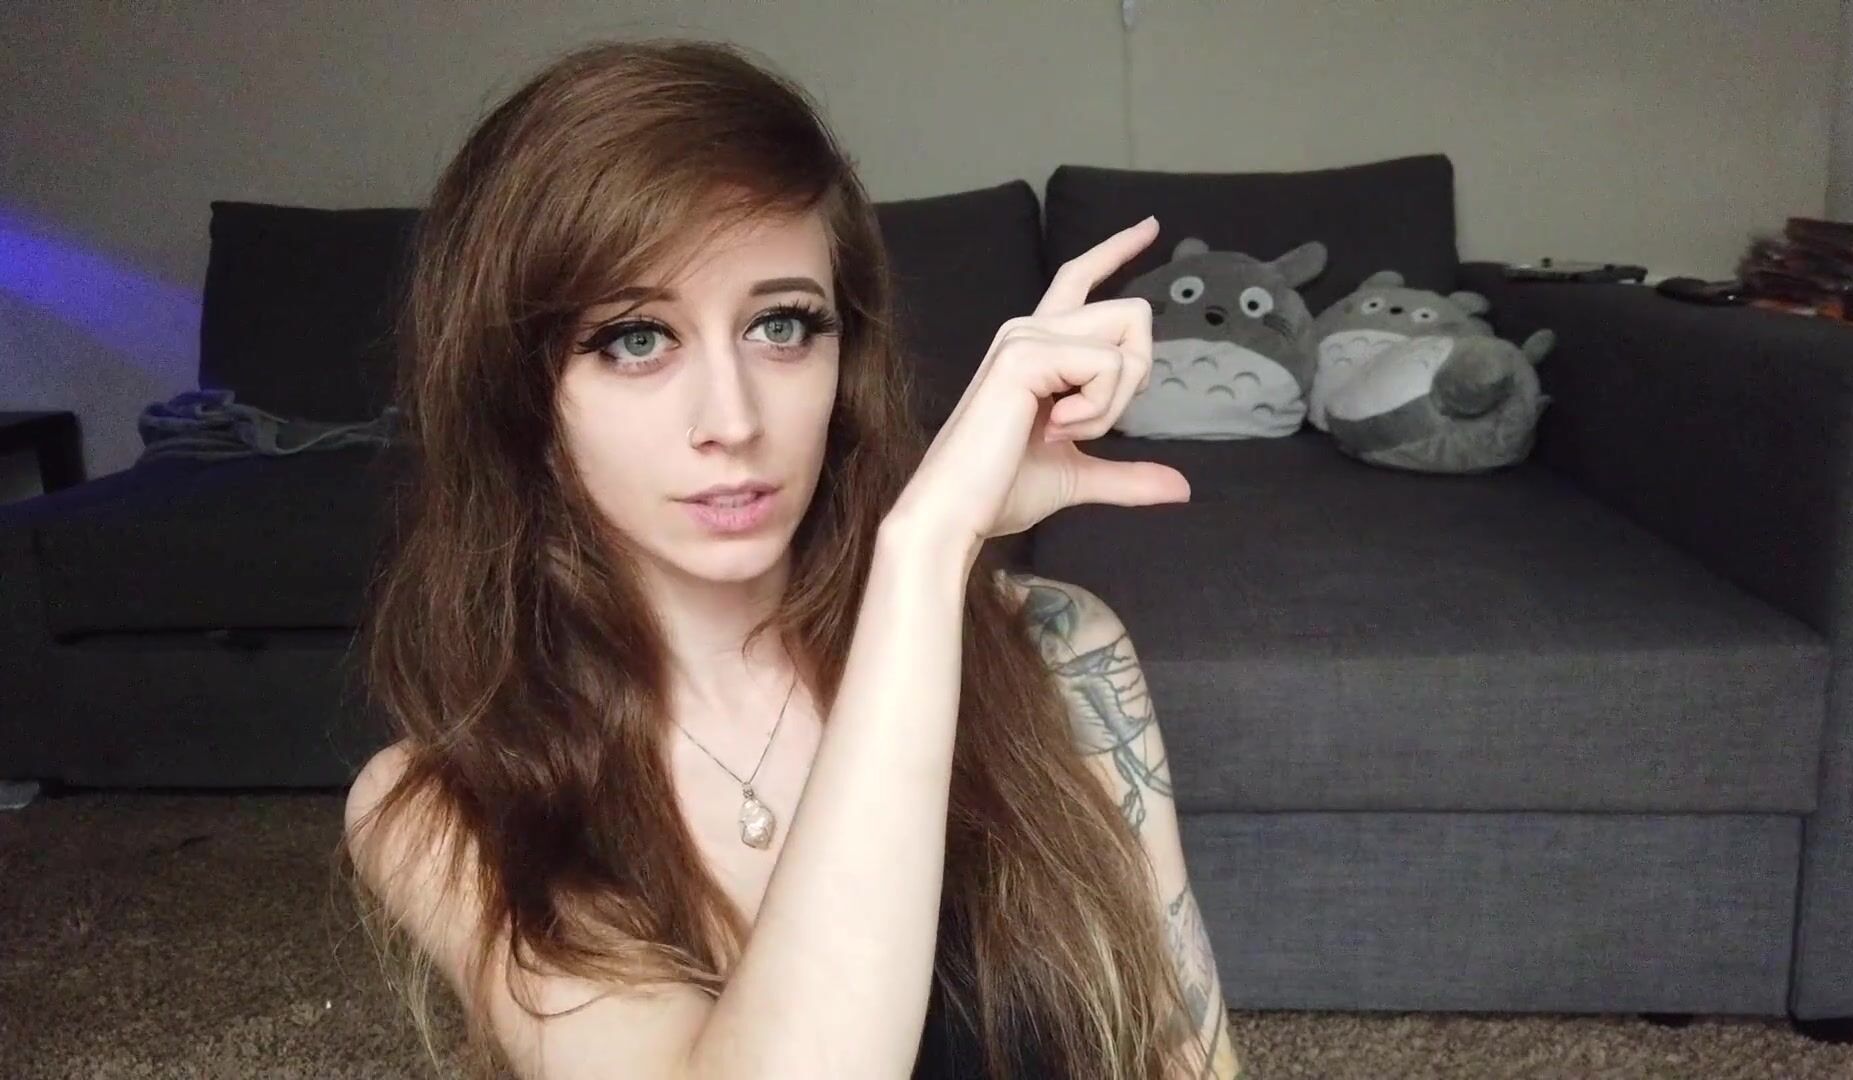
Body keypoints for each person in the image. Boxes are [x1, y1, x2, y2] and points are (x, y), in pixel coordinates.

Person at [343, 38, 1243, 1080]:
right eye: (634, 339)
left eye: (781, 325)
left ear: (843, 355)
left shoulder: (1056, 650)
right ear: (518, 394)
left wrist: (918, 570)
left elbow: (1186, 1057)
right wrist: (923, 554)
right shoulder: (446, 807)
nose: (731, 421)